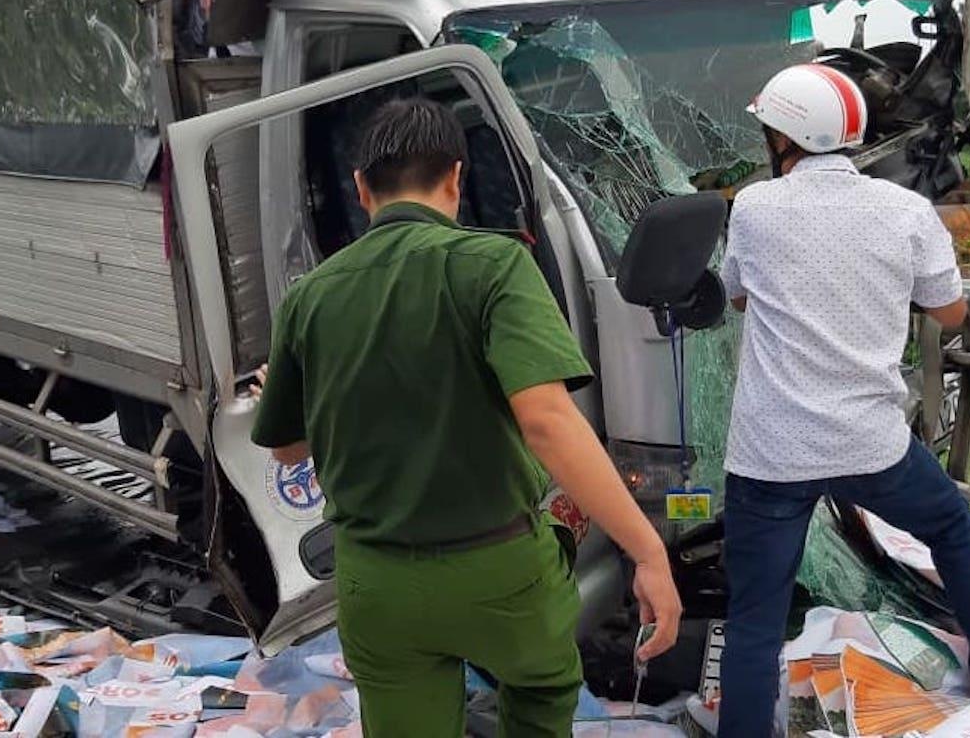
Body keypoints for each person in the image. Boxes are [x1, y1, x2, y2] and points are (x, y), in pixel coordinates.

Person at [253, 97, 682, 738]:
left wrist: (285, 395)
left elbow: (288, 452)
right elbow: (547, 419)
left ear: (361, 187)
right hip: (499, 569)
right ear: (456, 177)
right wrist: (648, 550)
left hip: (376, 579)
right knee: (542, 695)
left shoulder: (309, 297)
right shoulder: (494, 264)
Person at [716, 64, 970, 737]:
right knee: (951, 530)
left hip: (773, 449)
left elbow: (736, 294)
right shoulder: (906, 211)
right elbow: (950, 312)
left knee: (755, 619)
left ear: (782, 137)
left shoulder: (755, 208)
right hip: (870, 443)